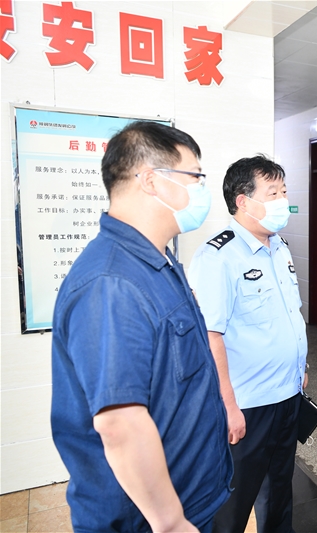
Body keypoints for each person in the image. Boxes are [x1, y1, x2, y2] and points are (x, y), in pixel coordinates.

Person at [50, 121, 232, 533]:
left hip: (191, 498)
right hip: (147, 521)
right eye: (195, 177)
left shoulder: (156, 262)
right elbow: (120, 423)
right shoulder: (112, 282)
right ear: (152, 180)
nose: (201, 190)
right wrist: (170, 522)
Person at [188, 155, 307, 533]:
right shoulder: (218, 257)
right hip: (248, 404)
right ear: (243, 201)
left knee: (279, 492)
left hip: (287, 395)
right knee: (233, 504)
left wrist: (301, 367)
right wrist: (227, 406)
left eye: (284, 192)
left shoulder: (280, 247)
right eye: (273, 193)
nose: (283, 201)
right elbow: (210, 335)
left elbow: (289, 314)